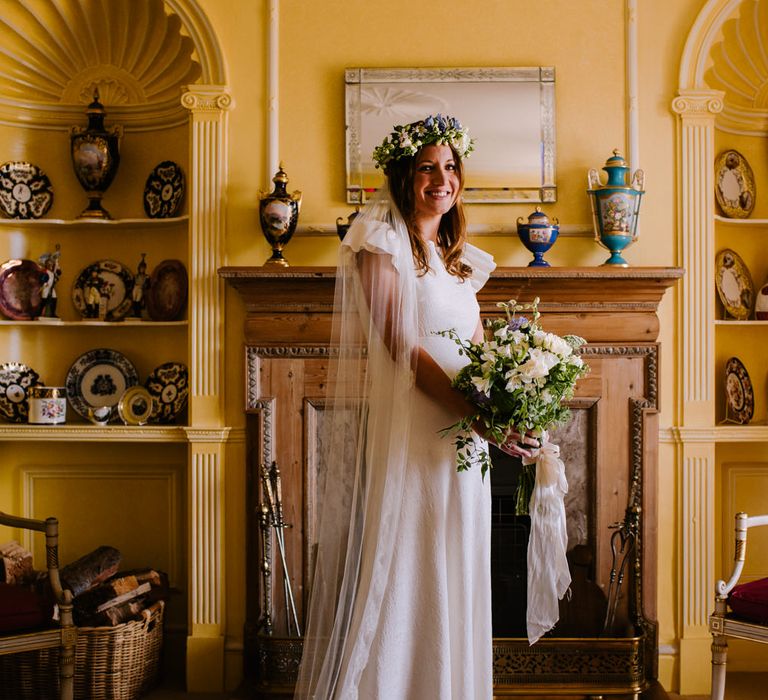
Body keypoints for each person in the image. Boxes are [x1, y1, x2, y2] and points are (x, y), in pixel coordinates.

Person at [294, 114, 537, 700]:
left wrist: (511, 406)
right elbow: (401, 346)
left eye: (450, 166)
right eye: (427, 167)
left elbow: (477, 352)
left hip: (465, 443)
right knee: (410, 565)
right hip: (417, 433)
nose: (442, 178)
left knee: (456, 563)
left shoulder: (460, 263)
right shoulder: (378, 245)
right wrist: (472, 412)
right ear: (404, 176)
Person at [38, 244, 61, 318]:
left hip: (51, 287)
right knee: (44, 300)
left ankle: (53, 313)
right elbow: (42, 279)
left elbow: (57, 268)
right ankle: (40, 313)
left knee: (54, 298)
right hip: (46, 287)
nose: (50, 265)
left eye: (51, 264)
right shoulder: (45, 271)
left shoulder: (52, 272)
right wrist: (44, 284)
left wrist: (57, 255)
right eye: (48, 264)